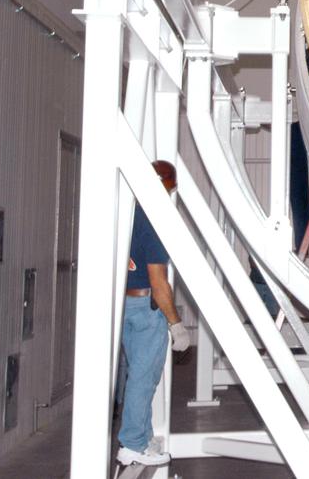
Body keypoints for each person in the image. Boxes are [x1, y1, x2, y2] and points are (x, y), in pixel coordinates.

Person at [117, 160, 191, 467]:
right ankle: (132, 443)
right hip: (147, 308)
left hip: (122, 304)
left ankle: (141, 437)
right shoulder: (154, 220)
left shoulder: (126, 210)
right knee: (143, 379)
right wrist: (175, 324)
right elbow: (159, 281)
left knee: (134, 373)